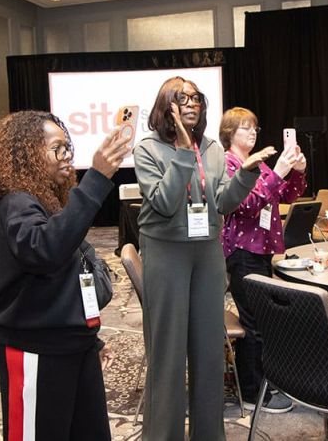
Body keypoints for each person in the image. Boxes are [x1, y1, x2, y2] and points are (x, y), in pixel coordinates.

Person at [0, 111, 129, 440]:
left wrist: (90, 338)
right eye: (57, 148)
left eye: (67, 147)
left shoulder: (48, 202)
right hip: (35, 350)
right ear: (27, 155)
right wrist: (97, 178)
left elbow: (64, 277)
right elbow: (46, 251)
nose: (66, 156)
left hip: (74, 344)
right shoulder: (16, 203)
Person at [134, 77, 271, 440]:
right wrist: (182, 151)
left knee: (209, 352)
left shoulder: (210, 148)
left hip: (207, 252)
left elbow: (223, 202)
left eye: (196, 98)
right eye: (182, 98)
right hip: (166, 251)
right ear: (166, 105)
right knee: (168, 354)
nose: (192, 103)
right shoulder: (148, 149)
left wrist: (246, 173)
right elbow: (164, 203)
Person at [219, 107, 307, 413]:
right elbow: (245, 204)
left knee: (262, 320)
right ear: (229, 133)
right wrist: (279, 172)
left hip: (261, 250)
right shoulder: (229, 163)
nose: (252, 133)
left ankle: (263, 381)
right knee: (253, 323)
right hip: (242, 252)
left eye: (254, 128)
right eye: (245, 128)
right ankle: (252, 393)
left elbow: (286, 196)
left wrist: (297, 172)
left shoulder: (258, 163)